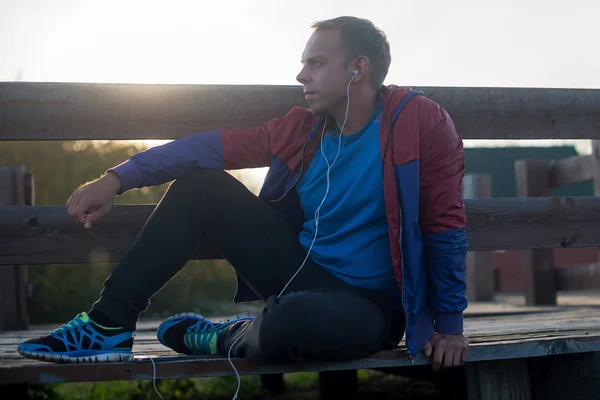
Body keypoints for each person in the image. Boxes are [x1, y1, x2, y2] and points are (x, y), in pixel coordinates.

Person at [18, 16, 469, 372]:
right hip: (298, 272)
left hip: (372, 306)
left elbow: (444, 226)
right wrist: (116, 179)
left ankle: (230, 336)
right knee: (202, 185)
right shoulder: (301, 131)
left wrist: (449, 326)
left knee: (291, 325)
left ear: (358, 68)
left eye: (315, 63)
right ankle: (107, 325)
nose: (300, 74)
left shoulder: (420, 124)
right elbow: (206, 149)